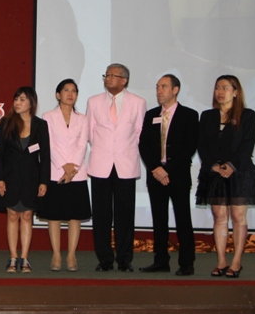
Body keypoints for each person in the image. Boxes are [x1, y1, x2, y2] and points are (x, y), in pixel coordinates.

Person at [196, 75, 255, 278]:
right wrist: (214, 165)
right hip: (215, 172)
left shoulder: (247, 115)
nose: (220, 91)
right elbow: (201, 144)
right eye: (217, 87)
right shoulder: (207, 116)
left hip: (239, 172)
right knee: (219, 217)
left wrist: (231, 166)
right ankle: (221, 261)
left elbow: (247, 144)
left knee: (238, 217)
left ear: (235, 92)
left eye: (225, 88)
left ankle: (236, 262)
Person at [86, 63, 146, 272]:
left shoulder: (138, 102)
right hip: (100, 164)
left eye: (113, 75)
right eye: (106, 75)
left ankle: (124, 259)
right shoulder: (93, 101)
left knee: (125, 214)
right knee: (101, 214)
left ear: (124, 80)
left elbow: (139, 133)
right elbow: (90, 132)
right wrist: (106, 150)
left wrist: (122, 150)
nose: (108, 78)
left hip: (126, 164)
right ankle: (104, 259)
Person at [138, 74, 199, 276]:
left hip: (177, 176)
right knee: (159, 220)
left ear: (175, 90)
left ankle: (187, 263)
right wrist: (156, 168)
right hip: (156, 176)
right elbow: (144, 145)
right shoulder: (151, 115)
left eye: (164, 86)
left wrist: (167, 170)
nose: (159, 91)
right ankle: (161, 261)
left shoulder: (189, 115)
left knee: (183, 219)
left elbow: (189, 147)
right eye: (157, 87)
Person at [0, 87, 50, 273]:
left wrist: (44, 181)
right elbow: (0, 154)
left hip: (31, 178)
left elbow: (45, 156)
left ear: (31, 103)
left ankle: (24, 258)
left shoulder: (41, 125)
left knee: (27, 216)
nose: (17, 103)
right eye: (16, 99)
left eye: (22, 99)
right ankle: (12, 258)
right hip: (10, 177)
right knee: (12, 215)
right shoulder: (6, 123)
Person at [38, 79, 91, 272]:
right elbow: (48, 144)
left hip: (77, 173)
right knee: (54, 216)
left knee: (74, 216)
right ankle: (56, 254)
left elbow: (82, 144)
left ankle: (71, 255)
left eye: (74, 91)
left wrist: (72, 168)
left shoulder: (83, 119)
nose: (70, 94)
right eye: (66, 90)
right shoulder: (48, 116)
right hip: (55, 172)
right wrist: (64, 165)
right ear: (58, 95)